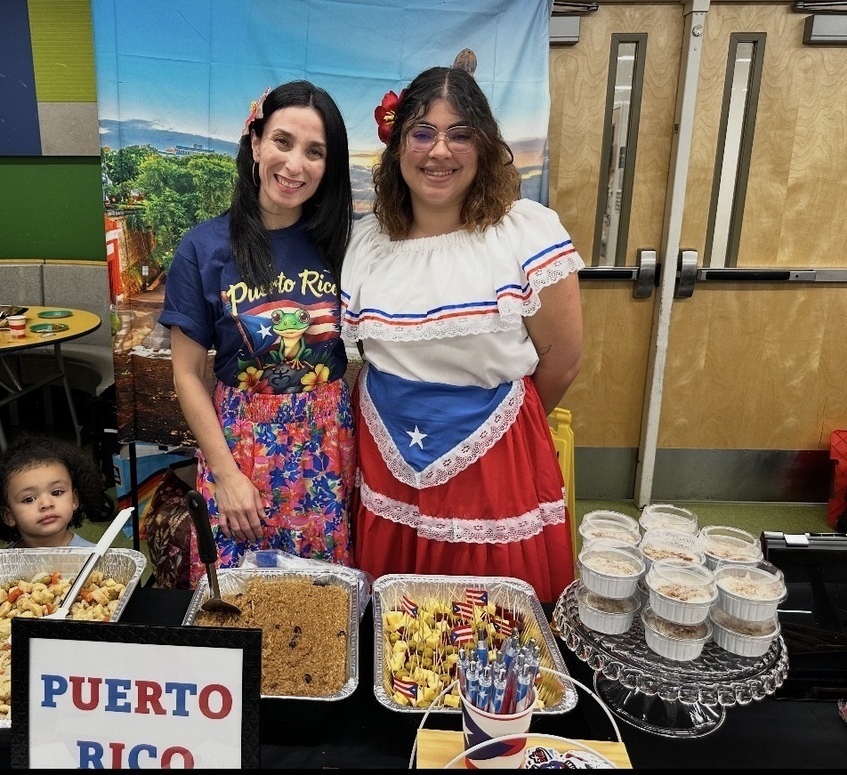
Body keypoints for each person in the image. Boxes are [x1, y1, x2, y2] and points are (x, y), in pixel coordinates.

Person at [341, 66, 584, 603]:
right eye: (422, 132)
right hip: (388, 457)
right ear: (398, 143)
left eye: (460, 134)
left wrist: (498, 436)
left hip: (492, 463)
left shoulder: (525, 233)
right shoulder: (367, 240)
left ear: (484, 144)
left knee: (487, 624)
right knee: (401, 622)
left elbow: (562, 360)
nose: (439, 151)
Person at [159, 81, 356, 585]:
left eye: (315, 152)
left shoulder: (344, 244)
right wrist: (225, 475)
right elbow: (185, 374)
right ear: (255, 143)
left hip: (326, 448)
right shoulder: (203, 248)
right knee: (240, 595)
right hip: (240, 449)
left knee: (322, 599)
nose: (295, 165)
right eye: (283, 142)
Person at [0, 433, 105, 548]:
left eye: (56, 492)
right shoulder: (3, 564)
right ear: (9, 515)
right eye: (29, 499)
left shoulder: (93, 557)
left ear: (74, 499)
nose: (46, 504)